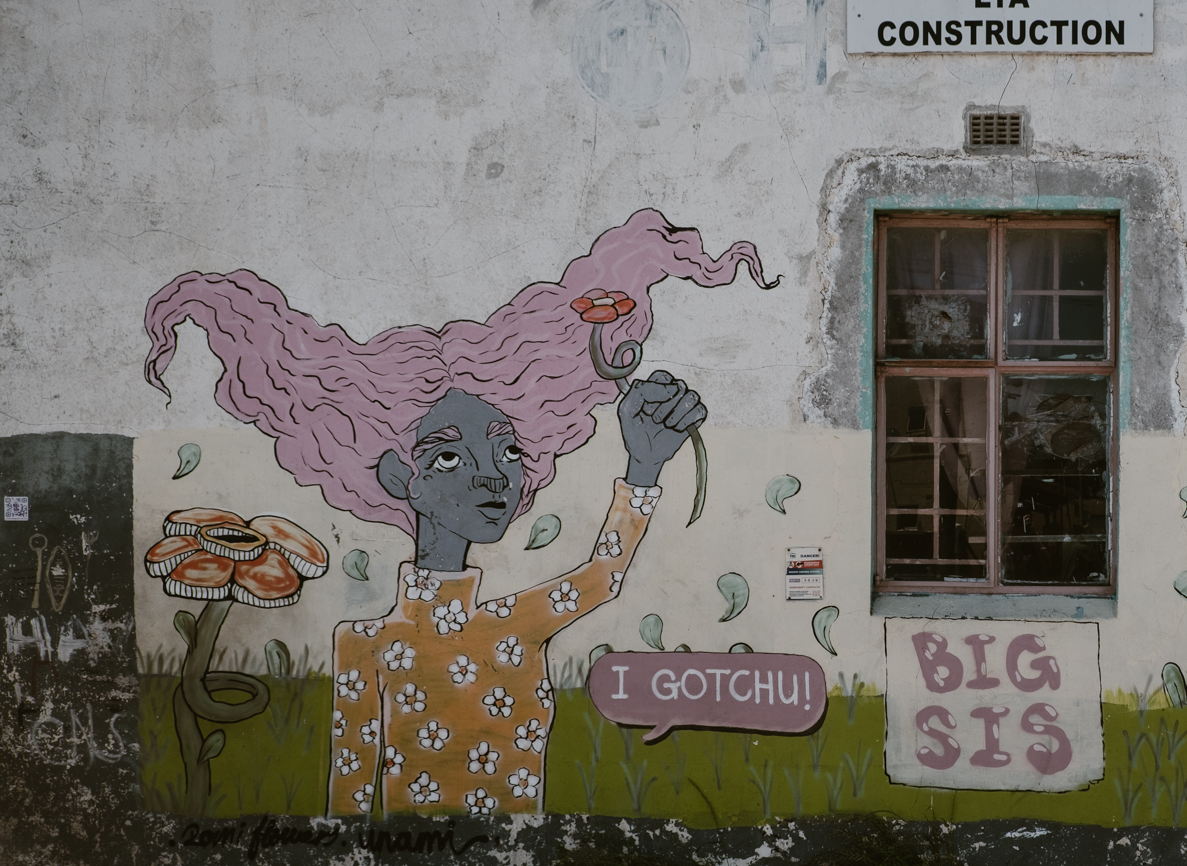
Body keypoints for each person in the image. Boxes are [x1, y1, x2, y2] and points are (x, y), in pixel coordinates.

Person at [143, 210, 773, 817]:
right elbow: (348, 797)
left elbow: (602, 577)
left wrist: (643, 464)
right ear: (401, 479)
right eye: (448, 457)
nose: (493, 476)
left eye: (508, 451)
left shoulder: (517, 626)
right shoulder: (367, 645)